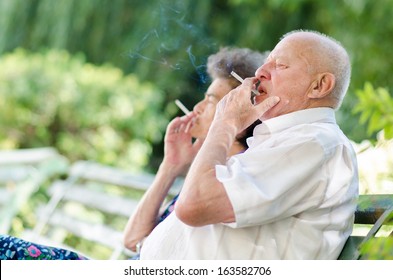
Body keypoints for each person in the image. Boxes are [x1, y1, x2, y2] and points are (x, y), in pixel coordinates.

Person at [139, 30, 359, 260]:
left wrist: (225, 123)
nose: (261, 72)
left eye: (280, 65)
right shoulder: (286, 140)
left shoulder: (315, 143)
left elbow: (194, 205)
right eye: (266, 63)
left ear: (320, 85)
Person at [123, 47, 269, 255]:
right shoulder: (207, 173)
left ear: (242, 114)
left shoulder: (225, 181)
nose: (198, 107)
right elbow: (132, 240)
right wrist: (171, 166)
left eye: (211, 100)